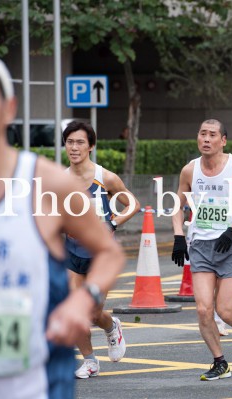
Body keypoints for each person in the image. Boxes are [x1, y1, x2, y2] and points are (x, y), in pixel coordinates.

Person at [0, 51, 125, 398]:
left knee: (88, 306)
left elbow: (109, 252)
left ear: (9, 108)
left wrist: (83, 301)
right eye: (70, 141)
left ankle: (100, 341)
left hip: (34, 377)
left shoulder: (47, 180)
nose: (74, 147)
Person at [171, 119, 232, 381]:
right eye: (202, 134)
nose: (206, 139)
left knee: (225, 311)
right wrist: (178, 236)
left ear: (223, 141)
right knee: (202, 309)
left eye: (212, 135)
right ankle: (220, 361)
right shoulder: (190, 170)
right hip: (201, 245)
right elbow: (177, 205)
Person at [63, 121, 140, 379]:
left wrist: (112, 223)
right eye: (69, 142)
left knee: (93, 312)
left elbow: (133, 204)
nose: (74, 147)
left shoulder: (104, 177)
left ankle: (112, 326)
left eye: (80, 142)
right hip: (72, 252)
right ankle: (90, 360)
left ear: (91, 146)